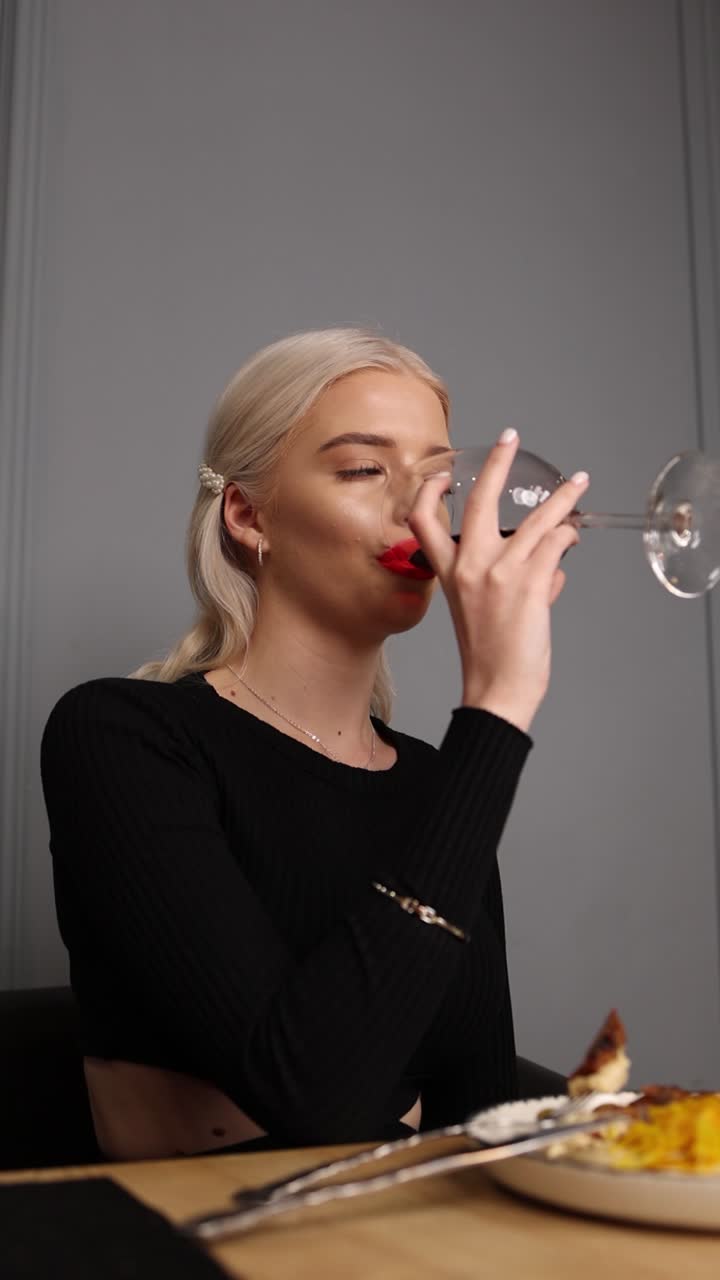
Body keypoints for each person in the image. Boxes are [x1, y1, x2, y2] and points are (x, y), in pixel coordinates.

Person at [40, 328, 588, 1161]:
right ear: (249, 515)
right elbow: (315, 1098)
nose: (419, 511)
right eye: (365, 470)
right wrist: (499, 705)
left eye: (438, 482)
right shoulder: (123, 738)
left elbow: (477, 1123)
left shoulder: (439, 781)